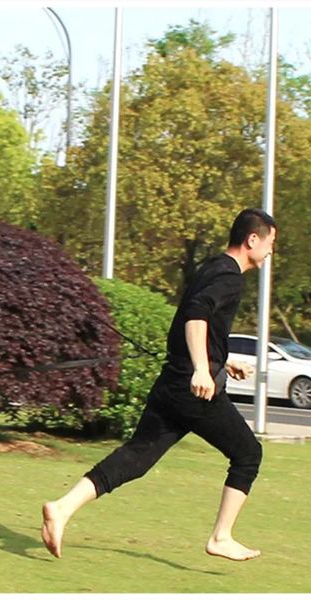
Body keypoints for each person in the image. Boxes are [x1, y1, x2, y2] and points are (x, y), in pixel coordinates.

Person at [42, 208, 277, 561]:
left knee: (137, 457)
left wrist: (222, 359)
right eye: (271, 243)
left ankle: (61, 508)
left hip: (173, 384)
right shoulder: (230, 276)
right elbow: (197, 315)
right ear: (252, 239)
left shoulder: (211, 267)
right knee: (248, 454)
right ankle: (221, 537)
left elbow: (194, 321)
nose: (272, 251)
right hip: (193, 390)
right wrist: (201, 369)